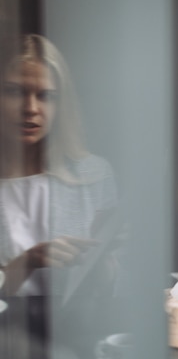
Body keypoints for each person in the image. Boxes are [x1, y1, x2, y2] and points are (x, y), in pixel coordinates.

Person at [0, 34, 119, 296]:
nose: (30, 108)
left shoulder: (94, 175)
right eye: (14, 91)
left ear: (61, 104)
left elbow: (126, 279)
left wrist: (100, 266)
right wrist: (26, 262)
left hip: (77, 330)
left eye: (45, 96)